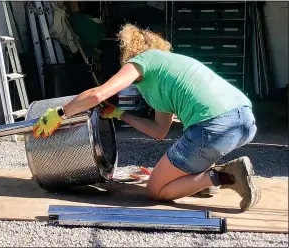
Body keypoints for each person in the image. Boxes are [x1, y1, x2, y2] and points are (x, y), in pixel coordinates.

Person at [33, 24, 261, 211]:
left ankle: (226, 175)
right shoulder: (167, 72)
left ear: (128, 51)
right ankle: (206, 181)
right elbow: (159, 131)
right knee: (190, 162)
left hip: (213, 127)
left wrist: (60, 113)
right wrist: (120, 114)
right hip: (244, 120)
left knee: (156, 190)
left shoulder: (143, 60)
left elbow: (98, 93)